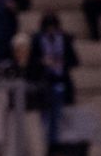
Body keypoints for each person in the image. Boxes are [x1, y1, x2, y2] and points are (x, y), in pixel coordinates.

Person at [28, 12, 79, 147]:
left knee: (58, 118)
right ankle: (44, 143)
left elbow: (74, 60)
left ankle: (55, 146)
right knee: (43, 119)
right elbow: (31, 60)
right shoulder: (37, 40)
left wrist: (61, 62)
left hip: (60, 83)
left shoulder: (65, 39)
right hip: (42, 84)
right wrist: (43, 62)